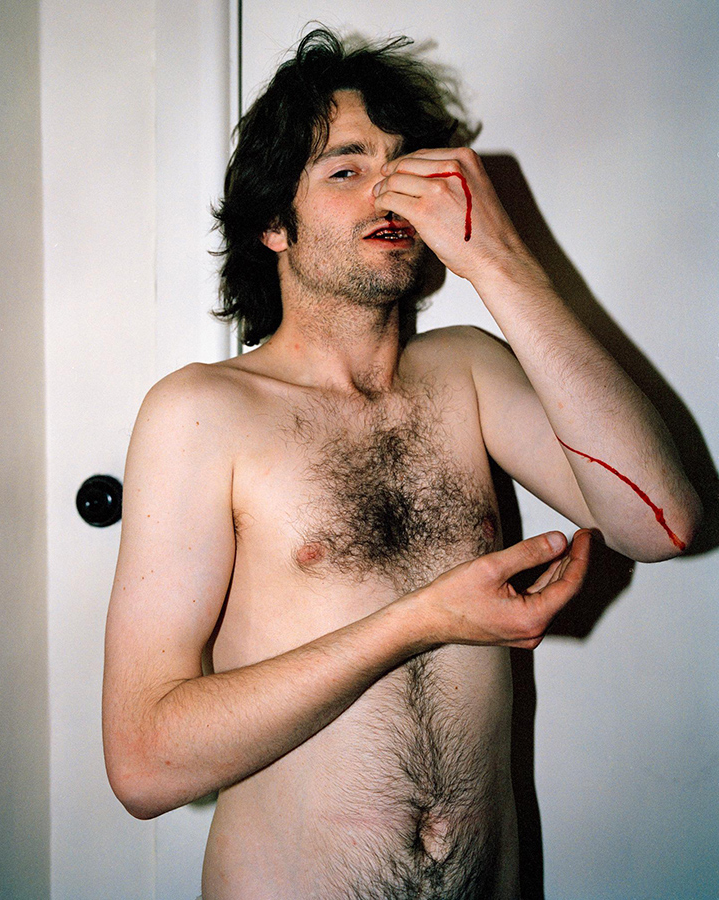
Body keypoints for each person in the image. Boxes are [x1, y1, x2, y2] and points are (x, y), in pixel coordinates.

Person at [102, 28, 701, 900]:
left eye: (402, 164)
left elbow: (661, 524)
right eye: (346, 169)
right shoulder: (202, 412)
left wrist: (497, 261)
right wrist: (423, 619)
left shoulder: (467, 371)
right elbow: (144, 764)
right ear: (273, 223)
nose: (389, 191)